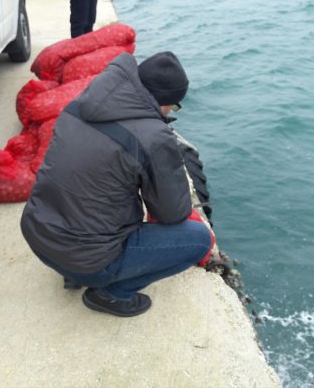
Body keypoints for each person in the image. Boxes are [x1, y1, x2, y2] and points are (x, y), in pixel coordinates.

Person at [20, 51, 213, 317]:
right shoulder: (152, 136)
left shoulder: (79, 105)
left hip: (40, 235)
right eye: (173, 106)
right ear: (164, 103)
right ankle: (110, 294)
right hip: (86, 259)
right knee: (199, 240)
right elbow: (174, 213)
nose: (171, 112)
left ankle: (74, 273)